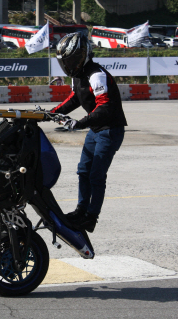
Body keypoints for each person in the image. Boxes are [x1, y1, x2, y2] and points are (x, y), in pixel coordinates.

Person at [49, 32, 127, 233]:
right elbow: (75, 99)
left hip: (110, 130)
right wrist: (51, 113)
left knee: (96, 176)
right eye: (66, 61)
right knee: (83, 171)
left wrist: (79, 123)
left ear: (84, 54)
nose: (69, 64)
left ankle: (91, 218)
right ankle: (81, 210)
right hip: (96, 130)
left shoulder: (96, 74)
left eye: (73, 59)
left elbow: (105, 107)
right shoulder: (79, 76)